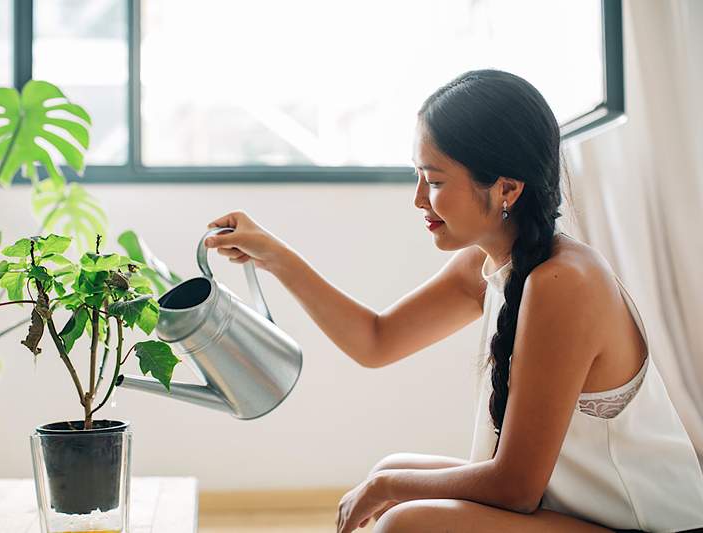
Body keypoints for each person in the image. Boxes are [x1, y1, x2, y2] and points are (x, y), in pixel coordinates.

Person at [203, 69, 703, 533]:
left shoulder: (564, 282)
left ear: (507, 187)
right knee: (391, 472)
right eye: (419, 176)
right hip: (569, 509)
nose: (419, 199)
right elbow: (376, 341)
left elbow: (516, 487)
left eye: (435, 180)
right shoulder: (489, 264)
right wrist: (274, 254)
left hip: (648, 527)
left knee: (402, 518)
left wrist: (387, 490)